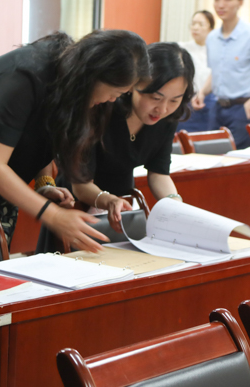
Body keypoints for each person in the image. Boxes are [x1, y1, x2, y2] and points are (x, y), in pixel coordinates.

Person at [0, 30, 150, 252]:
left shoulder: (69, 76)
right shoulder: (23, 77)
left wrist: (44, 184)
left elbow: (41, 134)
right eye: (115, 92)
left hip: (3, 187)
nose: (113, 100)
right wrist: (53, 215)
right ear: (96, 74)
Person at [35, 43, 194, 252]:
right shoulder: (102, 108)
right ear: (135, 83)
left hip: (121, 205)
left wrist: (175, 203)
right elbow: (81, 185)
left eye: (174, 100)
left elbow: (159, 173)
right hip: (76, 204)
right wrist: (107, 200)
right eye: (155, 98)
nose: (162, 109)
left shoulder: (165, 119)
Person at [194, 0, 250, 148]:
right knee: (210, 154)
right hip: (217, 108)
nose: (220, 5)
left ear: (240, 2)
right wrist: (202, 92)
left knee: (236, 158)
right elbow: (216, 71)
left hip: (242, 109)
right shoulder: (212, 38)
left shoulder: (248, 35)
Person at [178, 11, 215, 132]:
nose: (195, 27)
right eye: (193, 23)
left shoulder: (216, 50)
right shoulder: (182, 48)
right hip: (187, 100)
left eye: (201, 24)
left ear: (211, 28)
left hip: (209, 101)